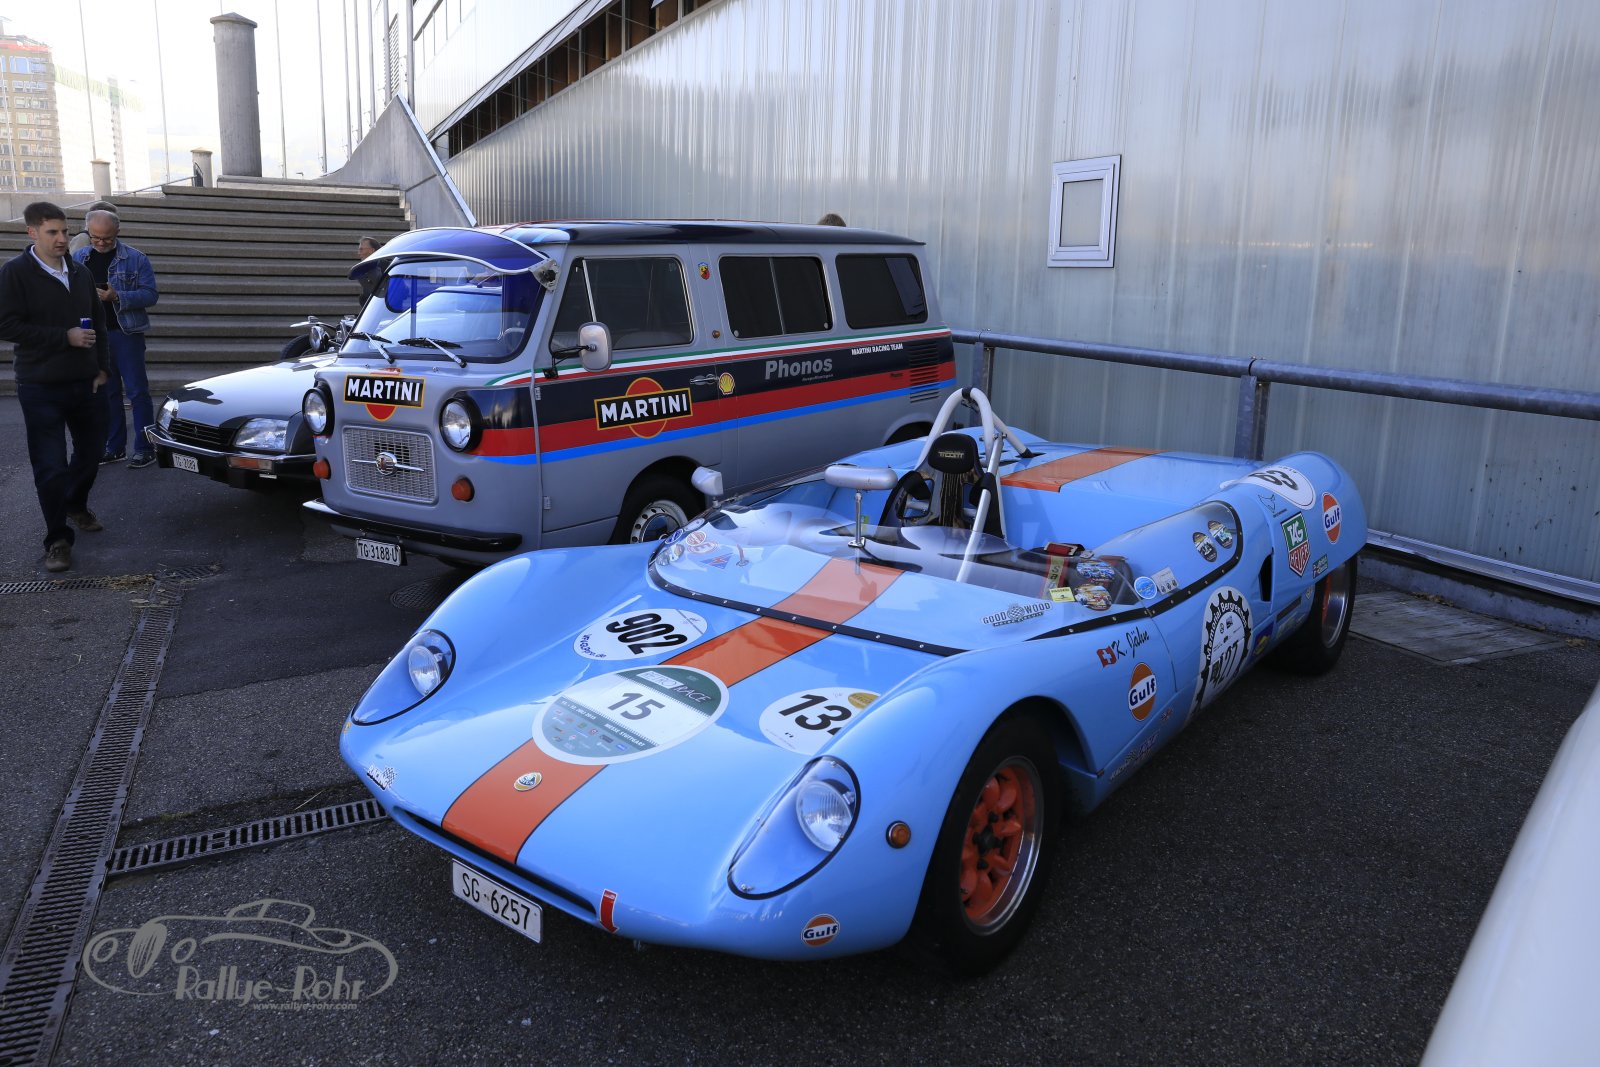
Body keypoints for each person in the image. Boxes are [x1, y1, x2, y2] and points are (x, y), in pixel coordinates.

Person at [0, 201, 110, 573]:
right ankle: (57, 539)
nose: (61, 239)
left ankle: (75, 503)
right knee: (50, 465)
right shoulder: (15, 272)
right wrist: (64, 337)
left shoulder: (79, 272)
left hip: (85, 381)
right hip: (40, 385)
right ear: (32, 232)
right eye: (52, 232)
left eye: (64, 231)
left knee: (92, 453)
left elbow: (98, 323)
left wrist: (102, 369)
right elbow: (6, 325)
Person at [73, 209, 159, 467]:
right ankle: (115, 446)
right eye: (95, 237)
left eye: (107, 238)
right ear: (88, 232)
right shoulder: (79, 257)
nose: (100, 243)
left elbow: (151, 295)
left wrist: (117, 296)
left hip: (126, 333)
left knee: (137, 392)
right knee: (108, 393)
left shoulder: (136, 258)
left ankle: (145, 448)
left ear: (117, 233)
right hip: (95, 334)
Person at [357, 235, 384, 305]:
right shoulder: (362, 270)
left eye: (361, 249)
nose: (359, 253)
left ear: (372, 250)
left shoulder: (390, 267)